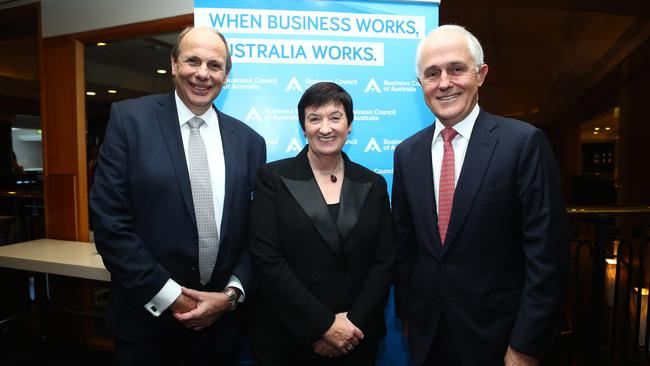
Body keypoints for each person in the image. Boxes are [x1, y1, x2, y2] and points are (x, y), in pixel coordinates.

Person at [392, 25, 568, 366]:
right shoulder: (406, 153)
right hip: (428, 338)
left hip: (501, 341)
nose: (444, 82)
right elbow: (405, 247)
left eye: (456, 68)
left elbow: (547, 256)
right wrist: (409, 319)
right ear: (420, 85)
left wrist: (526, 345)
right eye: (432, 73)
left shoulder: (523, 143)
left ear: (481, 74)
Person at [89, 26, 266, 366]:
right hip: (147, 324)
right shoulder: (129, 121)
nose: (203, 73)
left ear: (226, 75)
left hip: (222, 329)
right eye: (193, 60)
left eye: (214, 65)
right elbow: (110, 224)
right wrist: (173, 298)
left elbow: (256, 233)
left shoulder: (249, 142)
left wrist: (229, 297)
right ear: (173, 64)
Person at [248, 82, 396, 365]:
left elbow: (384, 261)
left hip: (356, 337)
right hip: (289, 338)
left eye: (335, 117)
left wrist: (350, 325)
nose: (325, 128)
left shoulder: (372, 183)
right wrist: (325, 325)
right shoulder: (272, 179)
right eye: (314, 118)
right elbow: (268, 261)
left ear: (349, 125)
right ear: (303, 127)